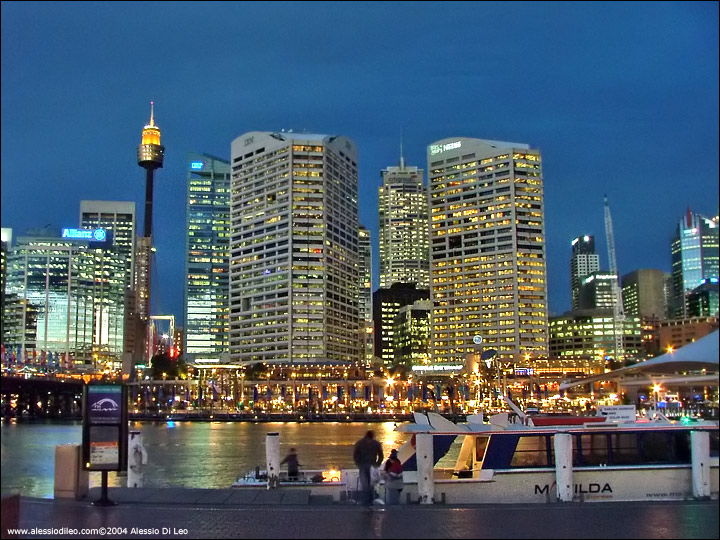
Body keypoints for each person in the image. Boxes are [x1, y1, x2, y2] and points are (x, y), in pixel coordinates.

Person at [353, 430, 383, 505]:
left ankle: (366, 502)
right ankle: (370, 501)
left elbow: (355, 455)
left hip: (363, 466)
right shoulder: (376, 444)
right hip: (372, 466)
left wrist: (358, 464)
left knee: (365, 485)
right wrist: (377, 464)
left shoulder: (359, 443)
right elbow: (381, 455)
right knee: (371, 485)